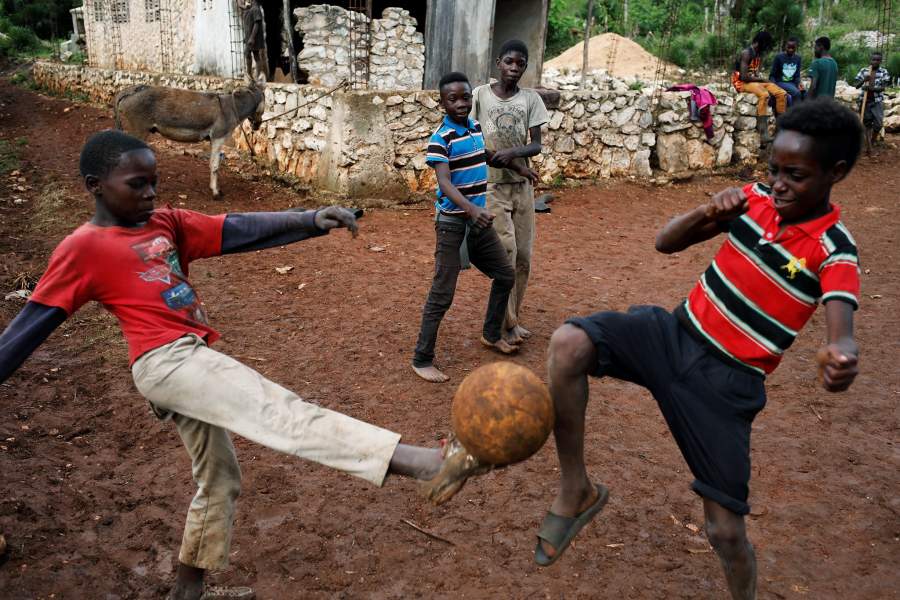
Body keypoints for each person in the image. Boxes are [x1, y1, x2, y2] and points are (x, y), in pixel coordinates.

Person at [0, 130, 479, 600]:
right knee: (281, 411)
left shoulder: (164, 223)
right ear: (94, 186)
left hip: (190, 360)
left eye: (153, 181)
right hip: (165, 363)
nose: (150, 194)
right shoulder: (82, 248)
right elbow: (30, 326)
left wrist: (312, 219)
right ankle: (423, 464)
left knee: (220, 479)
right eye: (136, 184)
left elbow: (236, 229)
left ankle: (188, 589)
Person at [534, 99, 862, 600]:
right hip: (672, 337)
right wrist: (710, 210)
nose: (777, 183)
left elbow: (841, 325)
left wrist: (838, 353)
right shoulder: (753, 200)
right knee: (568, 343)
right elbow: (665, 243)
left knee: (726, 532)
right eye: (773, 169)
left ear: (835, 173)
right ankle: (576, 488)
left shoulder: (835, 249)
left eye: (795, 175)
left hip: (726, 387)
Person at [412, 71, 538, 383]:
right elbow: (444, 183)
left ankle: (491, 333)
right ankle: (422, 358)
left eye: (465, 97)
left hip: (478, 223)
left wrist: (520, 168)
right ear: (442, 103)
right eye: (452, 99)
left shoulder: (474, 127)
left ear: (472, 98)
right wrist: (470, 209)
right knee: (442, 294)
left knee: (505, 274)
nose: (460, 103)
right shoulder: (441, 139)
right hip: (453, 225)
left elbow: (488, 156)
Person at [472, 39, 549, 346]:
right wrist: (509, 162)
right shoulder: (480, 95)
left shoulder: (530, 99)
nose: (514, 68)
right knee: (507, 253)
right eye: (509, 62)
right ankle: (505, 325)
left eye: (520, 64)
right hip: (492, 186)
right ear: (498, 63)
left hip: (522, 189)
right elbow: (473, 139)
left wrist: (514, 154)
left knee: (525, 257)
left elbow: (537, 144)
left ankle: (512, 318)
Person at [853, 51, 891, 156]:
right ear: (870, 60)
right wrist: (863, 80)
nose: (875, 61)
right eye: (873, 59)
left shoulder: (884, 72)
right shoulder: (864, 71)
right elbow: (856, 85)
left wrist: (871, 88)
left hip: (877, 101)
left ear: (880, 61)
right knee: (867, 124)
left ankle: (872, 142)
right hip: (865, 101)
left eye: (877, 60)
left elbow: (883, 88)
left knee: (878, 124)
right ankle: (869, 148)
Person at [769, 36, 804, 106]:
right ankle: (795, 114)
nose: (790, 50)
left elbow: (797, 76)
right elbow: (772, 75)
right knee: (796, 93)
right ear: (785, 46)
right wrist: (774, 87)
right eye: (789, 47)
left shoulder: (798, 58)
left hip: (792, 83)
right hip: (780, 82)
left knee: (804, 93)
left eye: (793, 48)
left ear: (796, 47)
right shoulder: (779, 57)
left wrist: (799, 83)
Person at [241, 0, 268, 82]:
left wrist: (252, 37)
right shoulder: (250, 9)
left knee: (250, 54)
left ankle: (254, 74)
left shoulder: (255, 9)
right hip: (249, 37)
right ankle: (252, 75)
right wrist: (247, 37)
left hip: (254, 38)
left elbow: (256, 24)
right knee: (251, 54)